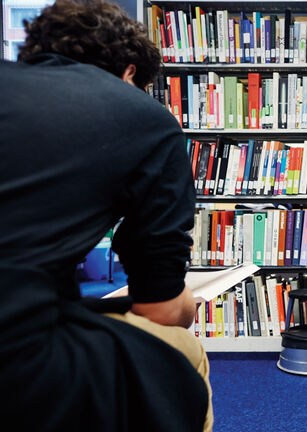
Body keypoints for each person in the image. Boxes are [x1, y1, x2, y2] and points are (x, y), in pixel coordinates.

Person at [0, 0, 212, 430]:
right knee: (182, 349)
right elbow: (161, 311)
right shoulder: (143, 117)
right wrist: (185, 299)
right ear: (130, 71)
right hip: (17, 361)